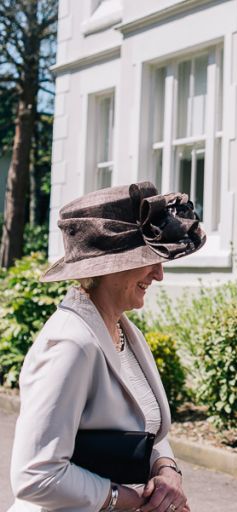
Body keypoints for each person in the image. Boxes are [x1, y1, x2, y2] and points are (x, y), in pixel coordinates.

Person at [9, 182, 205, 512]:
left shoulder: (125, 333)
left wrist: (166, 470)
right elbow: (35, 475)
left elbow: (140, 432)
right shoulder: (71, 345)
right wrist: (127, 499)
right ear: (108, 266)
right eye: (148, 259)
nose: (159, 274)